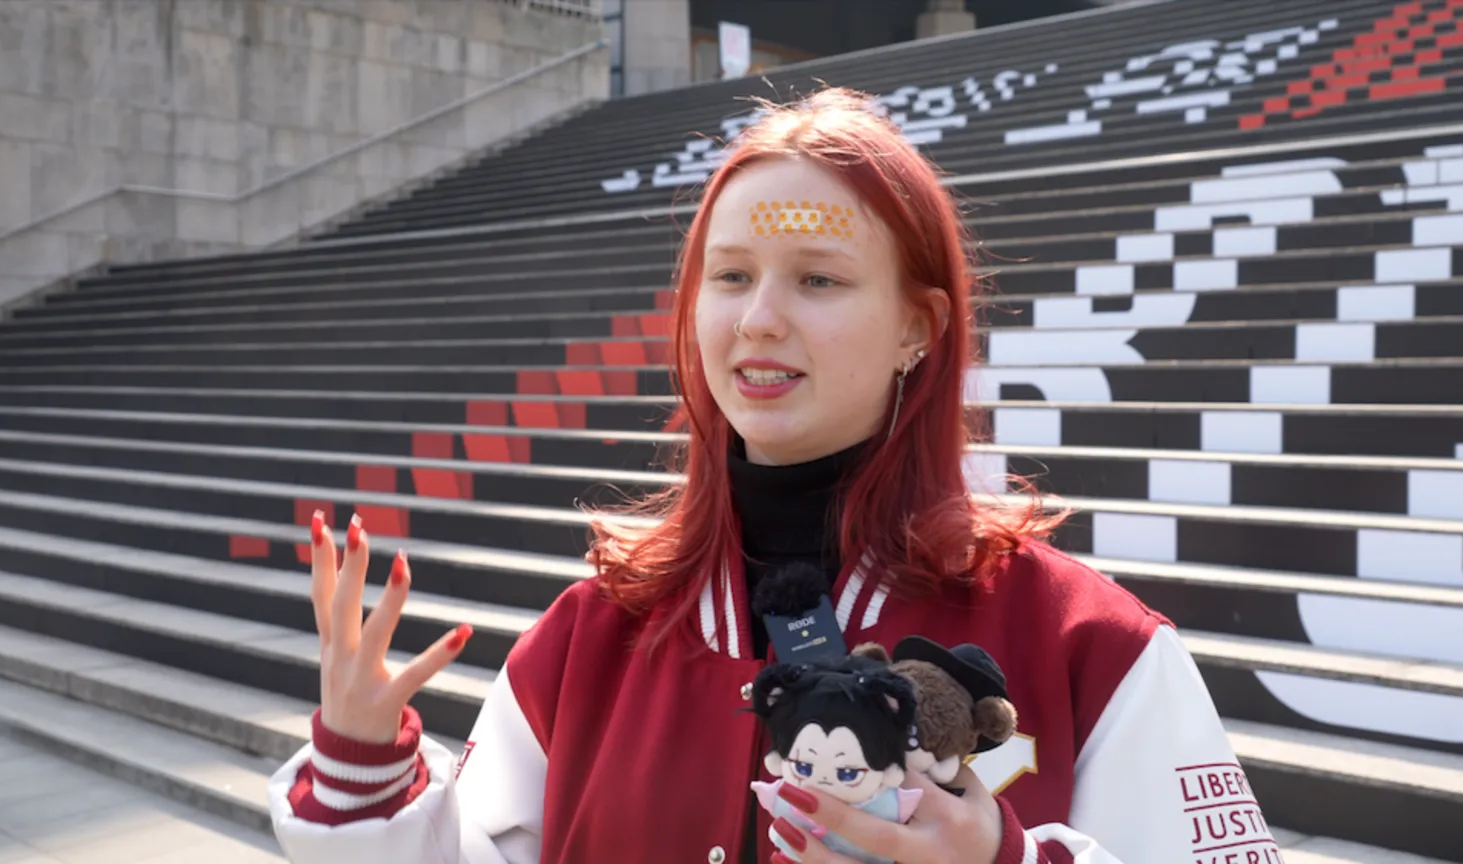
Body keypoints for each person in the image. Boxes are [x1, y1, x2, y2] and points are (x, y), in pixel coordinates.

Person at [266, 87, 1281, 864]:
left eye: (819, 281)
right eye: (732, 275)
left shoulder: (1086, 647)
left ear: (917, 329)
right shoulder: (586, 640)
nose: (759, 321)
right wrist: (363, 766)